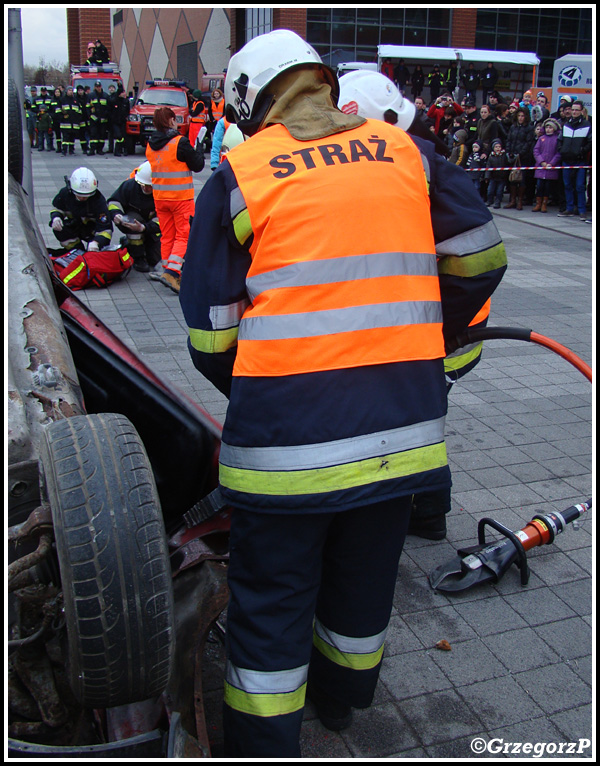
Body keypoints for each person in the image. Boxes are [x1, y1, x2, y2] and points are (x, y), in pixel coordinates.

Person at [178, 30, 507, 758]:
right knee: (363, 588)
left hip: (283, 450)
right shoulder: (407, 153)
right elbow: (481, 252)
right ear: (320, 81)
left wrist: (265, 386)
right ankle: (341, 706)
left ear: (247, 102)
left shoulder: (240, 173)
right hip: (400, 440)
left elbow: (209, 336)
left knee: (272, 604)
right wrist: (427, 340)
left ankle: (263, 744)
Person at [145, 106, 205, 292]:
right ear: (170, 121)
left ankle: (165, 268)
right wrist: (200, 146)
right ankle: (172, 272)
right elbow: (198, 165)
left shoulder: (150, 144)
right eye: (175, 119)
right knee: (184, 236)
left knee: (167, 235)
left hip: (160, 198)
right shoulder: (179, 142)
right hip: (180, 198)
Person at [107, 161, 161, 271]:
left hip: (152, 227)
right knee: (134, 225)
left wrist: (144, 228)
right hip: (133, 223)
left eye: (149, 186)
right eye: (143, 185)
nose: (146, 189)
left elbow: (163, 219)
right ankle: (138, 257)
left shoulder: (162, 192)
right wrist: (116, 215)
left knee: (155, 259)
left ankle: (134, 245)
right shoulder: (130, 186)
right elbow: (114, 202)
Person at [49, 167, 113, 252]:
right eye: (79, 194)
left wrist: (97, 242)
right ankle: (76, 251)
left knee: (98, 250)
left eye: (87, 195)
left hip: (92, 230)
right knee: (59, 229)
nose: (83, 198)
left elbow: (105, 229)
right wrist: (56, 217)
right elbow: (57, 208)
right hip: (75, 226)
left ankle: (92, 253)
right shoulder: (65, 194)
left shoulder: (98, 200)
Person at [557, 100, 592, 220]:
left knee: (580, 186)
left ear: (582, 111)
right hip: (566, 159)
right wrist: (561, 149)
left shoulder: (587, 125)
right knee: (567, 185)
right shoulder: (566, 124)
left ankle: (582, 210)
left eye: (577, 109)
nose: (574, 112)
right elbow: (560, 139)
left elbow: (590, 142)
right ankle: (569, 208)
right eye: (573, 109)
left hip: (580, 160)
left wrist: (582, 151)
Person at [505, 107, 535, 210]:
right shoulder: (513, 127)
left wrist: (520, 153)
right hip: (512, 156)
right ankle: (513, 200)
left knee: (522, 179)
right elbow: (508, 139)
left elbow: (528, 143)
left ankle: (520, 201)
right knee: (512, 179)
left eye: (522, 116)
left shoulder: (529, 128)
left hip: (523, 157)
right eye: (519, 116)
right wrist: (509, 152)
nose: (520, 118)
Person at [532, 118, 561, 213]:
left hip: (550, 168)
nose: (548, 129)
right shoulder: (541, 139)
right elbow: (536, 151)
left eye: (551, 127)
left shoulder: (557, 139)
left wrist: (551, 163)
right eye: (547, 127)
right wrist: (541, 162)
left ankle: (544, 204)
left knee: (547, 187)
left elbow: (558, 153)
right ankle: (538, 203)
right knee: (539, 186)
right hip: (541, 167)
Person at [485, 139, 509, 208]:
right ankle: (489, 201)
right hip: (493, 177)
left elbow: (508, 162)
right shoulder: (491, 157)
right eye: (496, 147)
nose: (498, 148)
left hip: (502, 177)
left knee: (499, 192)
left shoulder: (504, 155)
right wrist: (487, 176)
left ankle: (498, 202)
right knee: (490, 191)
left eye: (499, 146)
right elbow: (488, 167)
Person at [88, 80, 109, 155]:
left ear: (101, 87)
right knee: (93, 135)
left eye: (99, 86)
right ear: (94, 87)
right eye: (97, 87)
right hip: (94, 119)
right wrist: (91, 116)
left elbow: (108, 108)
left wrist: (105, 116)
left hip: (103, 120)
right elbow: (87, 107)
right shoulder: (91, 96)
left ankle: (100, 149)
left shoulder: (106, 96)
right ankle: (92, 149)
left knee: (102, 135)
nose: (98, 88)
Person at [108, 82, 130, 156]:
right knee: (118, 136)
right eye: (122, 93)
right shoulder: (115, 101)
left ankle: (123, 150)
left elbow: (127, 111)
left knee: (124, 136)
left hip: (122, 122)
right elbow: (109, 110)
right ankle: (117, 151)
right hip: (115, 122)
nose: (124, 94)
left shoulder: (126, 102)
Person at [59, 85, 81, 156]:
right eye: (69, 90)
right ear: (66, 91)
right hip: (65, 123)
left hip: (74, 123)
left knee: (72, 138)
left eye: (71, 90)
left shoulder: (75, 100)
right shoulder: (62, 100)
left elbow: (79, 111)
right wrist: (62, 116)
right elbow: (58, 110)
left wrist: (78, 119)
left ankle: (71, 150)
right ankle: (64, 150)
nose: (70, 92)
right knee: (65, 138)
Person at [49, 87, 63, 153]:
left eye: (58, 92)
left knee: (64, 134)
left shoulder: (63, 100)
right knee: (57, 134)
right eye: (56, 92)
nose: (57, 93)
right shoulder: (52, 101)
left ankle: (65, 147)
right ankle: (59, 147)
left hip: (62, 119)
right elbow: (50, 110)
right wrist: (52, 115)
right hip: (55, 120)